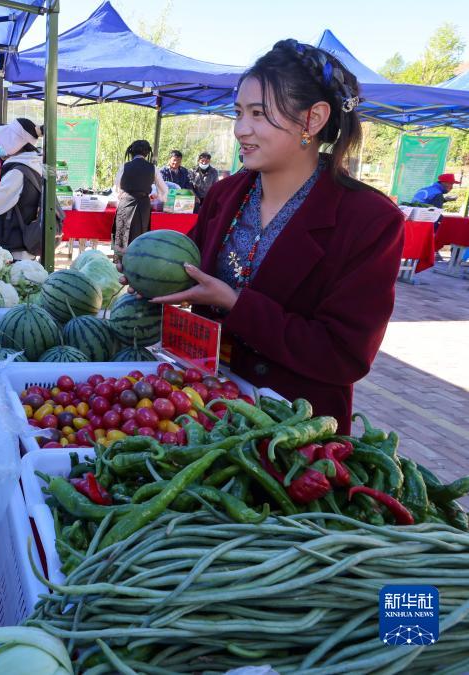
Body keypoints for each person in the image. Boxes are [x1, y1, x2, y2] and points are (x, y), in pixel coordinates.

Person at [149, 39, 403, 434]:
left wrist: (235, 303)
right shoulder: (225, 195)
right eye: (238, 113)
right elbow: (188, 266)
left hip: (292, 436)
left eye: (259, 113)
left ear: (313, 119)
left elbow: (344, 354)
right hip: (207, 416)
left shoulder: (369, 220)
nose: (241, 129)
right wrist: (151, 275)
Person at [0, 118, 45, 259]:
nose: (1, 143)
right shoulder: (34, 164)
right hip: (23, 244)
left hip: (14, 249)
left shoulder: (17, 172)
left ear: (17, 141)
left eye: (5, 138)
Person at [113, 140, 167, 253]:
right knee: (139, 235)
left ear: (131, 152)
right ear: (147, 153)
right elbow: (164, 191)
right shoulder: (152, 168)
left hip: (125, 203)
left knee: (122, 235)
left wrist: (123, 196)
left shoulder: (125, 166)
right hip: (143, 205)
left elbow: (117, 188)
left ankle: (120, 260)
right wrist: (158, 197)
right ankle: (136, 260)